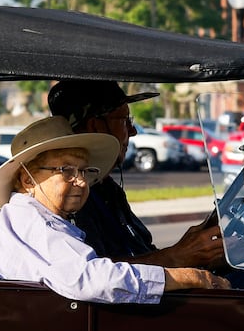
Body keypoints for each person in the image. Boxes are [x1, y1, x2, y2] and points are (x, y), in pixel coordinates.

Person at [0, 116, 226, 304]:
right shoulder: (31, 220)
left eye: (84, 171)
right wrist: (190, 277)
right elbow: (91, 280)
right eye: (66, 170)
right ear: (28, 180)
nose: (81, 181)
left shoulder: (33, 216)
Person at [46, 79, 224, 269]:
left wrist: (195, 251)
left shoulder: (108, 190)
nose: (133, 131)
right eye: (125, 121)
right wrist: (175, 257)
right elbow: (96, 272)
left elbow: (141, 253)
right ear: (95, 126)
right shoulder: (72, 197)